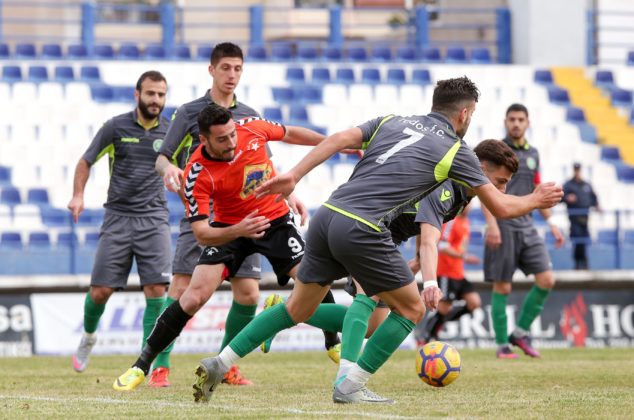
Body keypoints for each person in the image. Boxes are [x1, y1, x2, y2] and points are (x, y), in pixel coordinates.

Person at [189, 77, 563, 404]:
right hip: (365, 229)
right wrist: (536, 199)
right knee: (411, 310)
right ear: (464, 114)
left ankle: (220, 363)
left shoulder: (393, 120)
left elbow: (339, 139)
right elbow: (500, 206)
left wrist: (295, 175)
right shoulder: (456, 150)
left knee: (298, 310)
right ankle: (350, 384)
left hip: (328, 215)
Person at [112, 104, 343, 392]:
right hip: (229, 228)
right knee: (193, 297)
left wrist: (333, 143)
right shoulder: (197, 172)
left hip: (274, 220)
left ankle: (332, 340)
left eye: (232, 134)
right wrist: (239, 230)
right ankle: (140, 366)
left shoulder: (251, 128)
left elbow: (290, 133)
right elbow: (201, 233)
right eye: (222, 139)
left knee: (312, 276)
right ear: (204, 139)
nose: (231, 142)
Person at [150, 42, 339, 387]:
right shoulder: (189, 112)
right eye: (225, 67)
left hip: (253, 216)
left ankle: (226, 365)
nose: (232, 75)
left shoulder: (250, 115)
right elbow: (163, 157)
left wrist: (289, 194)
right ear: (212, 70)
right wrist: (169, 170)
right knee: (183, 288)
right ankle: (159, 366)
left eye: (237, 68)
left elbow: (262, 169)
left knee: (249, 293)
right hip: (205, 214)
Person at [68, 71, 171, 373]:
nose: (156, 100)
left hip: (154, 218)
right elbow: (85, 161)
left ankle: (145, 363)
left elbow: (185, 169)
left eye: (161, 94)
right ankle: (88, 337)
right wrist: (78, 195)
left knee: (157, 291)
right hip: (118, 218)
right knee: (100, 291)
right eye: (150, 93)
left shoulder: (171, 131)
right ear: (137, 94)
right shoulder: (115, 127)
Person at [482, 103, 565, 360]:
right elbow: (484, 190)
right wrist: (492, 224)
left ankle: (519, 333)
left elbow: (537, 191)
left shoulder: (533, 154)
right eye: (512, 119)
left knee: (547, 279)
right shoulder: (497, 151)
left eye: (520, 119)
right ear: (505, 122)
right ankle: (502, 345)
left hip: (528, 226)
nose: (516, 123)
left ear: (528, 123)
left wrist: (552, 223)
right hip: (503, 224)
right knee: (503, 287)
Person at [416, 204, 482, 345]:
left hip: (459, 273)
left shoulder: (466, 222)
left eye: (470, 204)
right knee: (444, 308)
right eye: (467, 203)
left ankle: (438, 320)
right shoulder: (452, 221)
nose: (468, 206)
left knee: (474, 302)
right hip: (446, 272)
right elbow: (442, 246)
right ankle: (425, 337)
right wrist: (464, 256)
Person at [563, 162, 599, 270]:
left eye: (578, 170)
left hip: (585, 217)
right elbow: (560, 197)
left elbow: (593, 198)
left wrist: (597, 205)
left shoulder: (586, 184)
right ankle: (579, 262)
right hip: (574, 218)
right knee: (577, 238)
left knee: (584, 239)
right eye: (575, 170)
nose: (577, 172)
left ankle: (582, 262)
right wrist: (567, 198)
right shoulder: (568, 185)